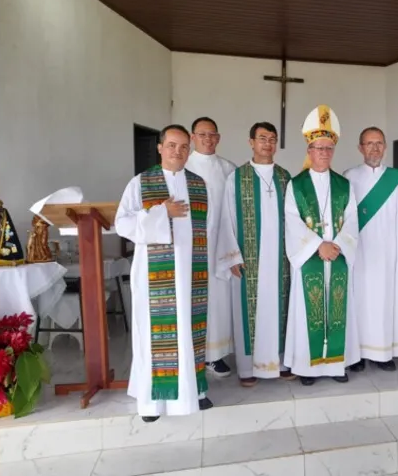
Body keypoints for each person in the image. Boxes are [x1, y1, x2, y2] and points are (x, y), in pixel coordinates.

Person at [114, 124, 213, 422]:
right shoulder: (141, 183)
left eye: (184, 146)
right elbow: (123, 223)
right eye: (172, 145)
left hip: (191, 272)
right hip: (155, 277)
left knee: (191, 331)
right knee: (156, 337)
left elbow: (204, 228)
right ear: (160, 147)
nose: (178, 152)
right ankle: (152, 403)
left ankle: (194, 392)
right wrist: (161, 213)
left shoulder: (198, 184)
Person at [283, 104, 361, 386]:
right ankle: (308, 367)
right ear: (309, 150)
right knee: (310, 310)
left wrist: (337, 245)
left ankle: (336, 365)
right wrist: (318, 245)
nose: (323, 153)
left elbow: (352, 220)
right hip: (311, 258)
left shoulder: (344, 185)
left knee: (338, 308)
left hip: (338, 255)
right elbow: (291, 221)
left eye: (328, 148)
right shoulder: (296, 185)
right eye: (318, 147)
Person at [215, 122, 297, 387]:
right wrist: (232, 256)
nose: (268, 144)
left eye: (272, 139)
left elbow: (296, 219)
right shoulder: (237, 178)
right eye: (262, 138)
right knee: (250, 312)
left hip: (281, 260)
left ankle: (283, 363)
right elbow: (226, 218)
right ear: (251, 142)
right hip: (249, 260)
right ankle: (249, 369)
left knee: (282, 309)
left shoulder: (286, 177)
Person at [342, 127, 398, 372]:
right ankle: (357, 353)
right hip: (359, 251)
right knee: (359, 300)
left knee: (385, 300)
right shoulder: (349, 177)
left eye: (379, 143)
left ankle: (383, 352)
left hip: (386, 251)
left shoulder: (396, 178)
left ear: (384, 147)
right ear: (360, 147)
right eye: (369, 143)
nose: (374, 148)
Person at [185, 116, 237, 378]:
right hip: (192, 247)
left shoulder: (228, 168)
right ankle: (194, 355)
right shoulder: (183, 166)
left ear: (218, 138)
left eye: (212, 134)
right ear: (193, 137)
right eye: (202, 134)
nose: (207, 139)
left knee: (219, 301)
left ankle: (216, 355)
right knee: (195, 301)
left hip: (220, 245)